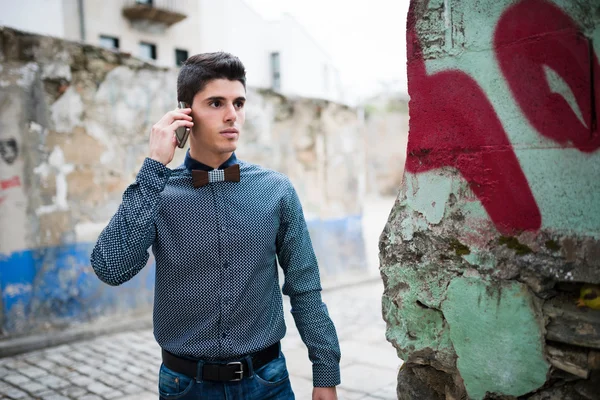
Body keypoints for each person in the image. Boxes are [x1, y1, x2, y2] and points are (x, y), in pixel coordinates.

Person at [90, 52, 341, 400]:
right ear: (185, 113)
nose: (231, 115)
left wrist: (325, 376)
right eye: (215, 103)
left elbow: (305, 287)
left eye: (238, 103)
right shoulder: (157, 192)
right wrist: (153, 167)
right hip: (185, 386)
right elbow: (110, 268)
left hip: (268, 382)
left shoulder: (276, 190)